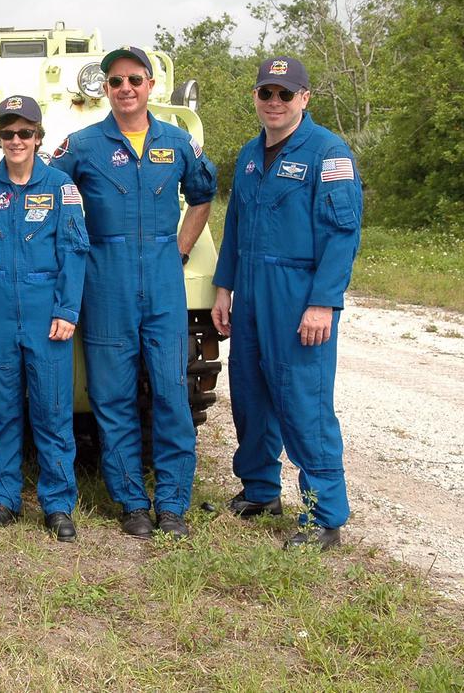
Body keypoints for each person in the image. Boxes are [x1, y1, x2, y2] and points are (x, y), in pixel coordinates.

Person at [50, 46, 217, 538]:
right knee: (113, 396)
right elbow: (43, 191)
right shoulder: (81, 145)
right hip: (105, 280)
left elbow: (203, 195)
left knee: (170, 394)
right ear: (106, 88)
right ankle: (131, 502)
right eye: (116, 81)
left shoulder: (177, 141)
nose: (126, 88)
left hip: (163, 281)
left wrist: (181, 250)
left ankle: (172, 503)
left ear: (150, 86)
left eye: (135, 80)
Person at [212, 56, 362, 550]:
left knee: (303, 402)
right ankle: (260, 491)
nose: (274, 102)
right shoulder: (251, 154)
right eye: (266, 93)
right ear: (256, 97)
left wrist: (323, 303)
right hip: (251, 293)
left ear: (305, 98)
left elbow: (342, 234)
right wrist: (224, 287)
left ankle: (324, 516)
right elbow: (234, 227)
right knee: (251, 394)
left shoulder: (328, 152)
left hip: (298, 295)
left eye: (285, 94)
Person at [0, 95, 89, 542]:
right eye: (8, 133)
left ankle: (57, 504)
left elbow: (74, 249)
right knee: (2, 411)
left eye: (25, 133)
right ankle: (3, 498)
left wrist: (68, 309)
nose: (16, 140)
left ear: (38, 137)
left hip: (44, 308)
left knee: (52, 410)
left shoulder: (60, 187)